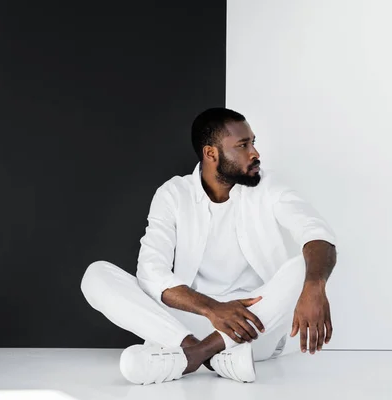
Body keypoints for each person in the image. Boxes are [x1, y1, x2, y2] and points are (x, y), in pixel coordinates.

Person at [80, 107, 338, 384]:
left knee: (308, 262)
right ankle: (207, 353)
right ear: (210, 153)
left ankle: (190, 355)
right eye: (243, 145)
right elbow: (150, 272)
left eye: (253, 142)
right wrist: (212, 309)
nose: (255, 153)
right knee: (96, 275)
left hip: (254, 326)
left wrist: (314, 286)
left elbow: (316, 231)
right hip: (186, 321)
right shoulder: (173, 194)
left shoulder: (268, 186)